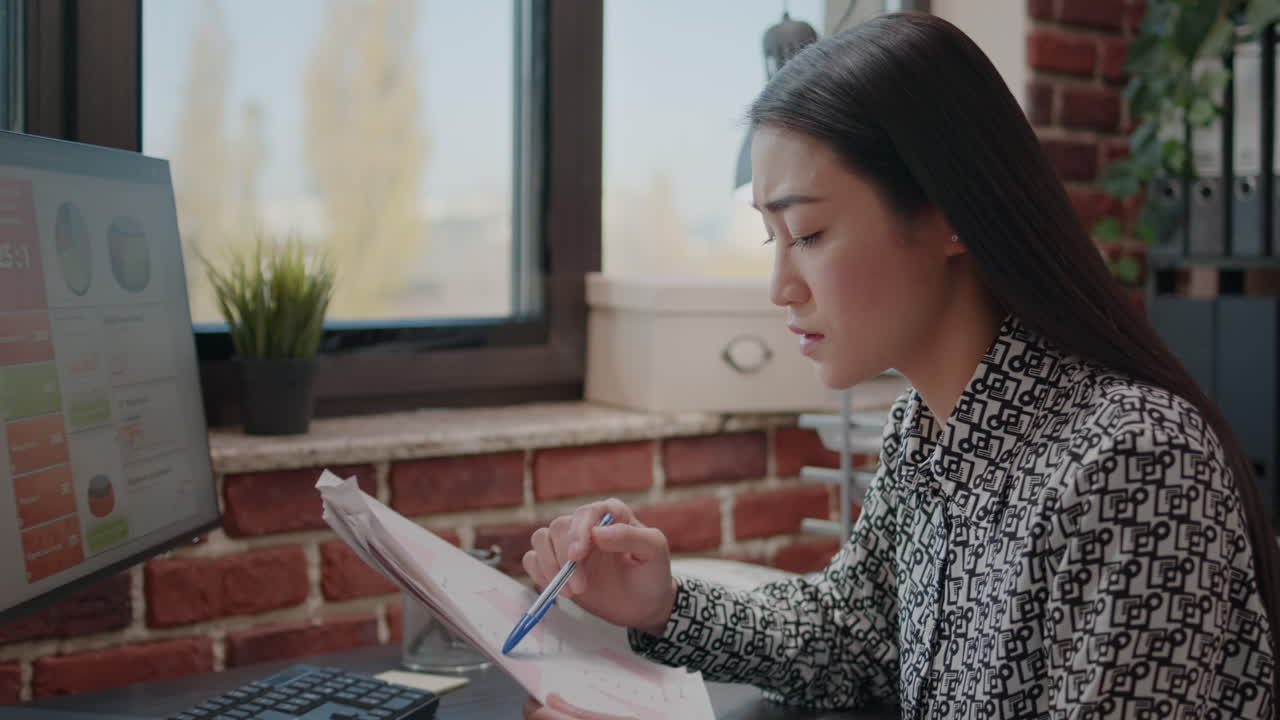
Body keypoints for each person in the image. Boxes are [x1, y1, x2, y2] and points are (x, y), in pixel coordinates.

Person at [522, 12, 1280, 719]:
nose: (780, 287)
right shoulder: (929, 428)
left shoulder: (1133, 461)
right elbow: (854, 632)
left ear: (948, 212)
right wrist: (661, 603)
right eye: (771, 239)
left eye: (809, 233)